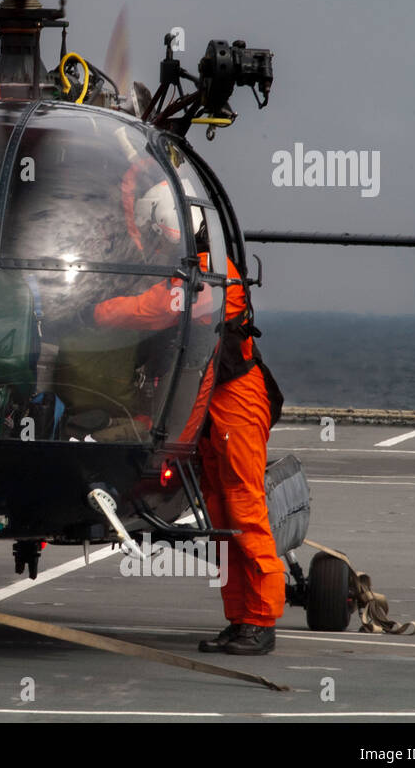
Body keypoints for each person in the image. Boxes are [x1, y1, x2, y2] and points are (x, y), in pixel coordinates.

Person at [91, 182, 284, 656]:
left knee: (242, 506)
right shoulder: (194, 272)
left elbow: (157, 308)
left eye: (160, 237)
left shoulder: (213, 278)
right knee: (220, 510)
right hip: (213, 401)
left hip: (236, 400)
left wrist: (95, 311)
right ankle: (241, 619)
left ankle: (260, 620)